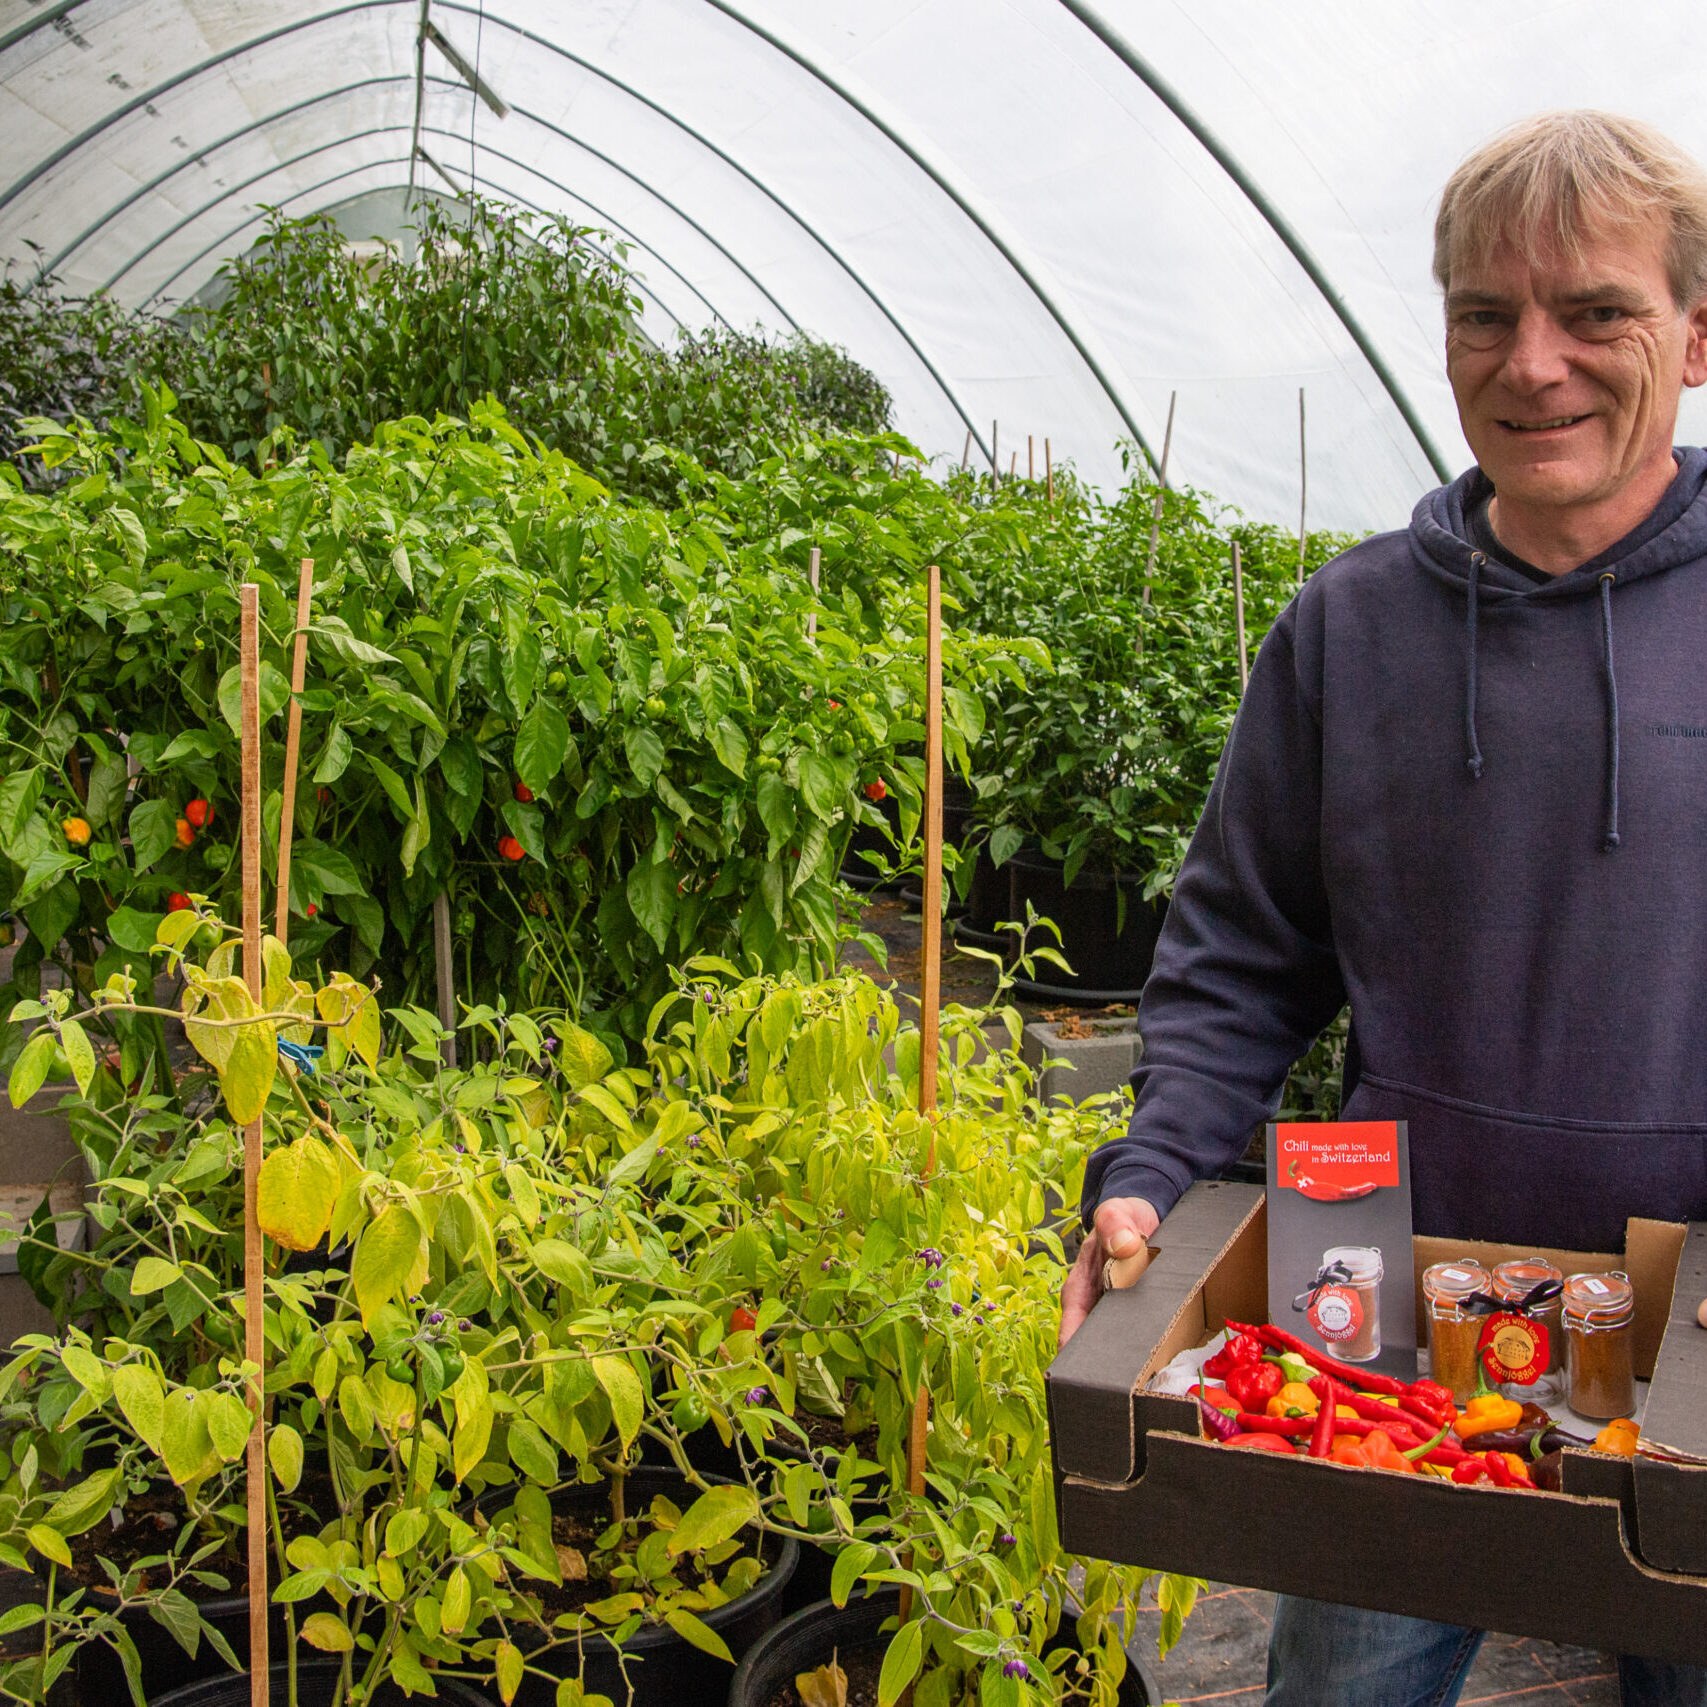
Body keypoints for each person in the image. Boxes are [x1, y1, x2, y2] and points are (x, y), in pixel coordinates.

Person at [1057, 110, 1707, 1707]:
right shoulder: (1350, 630)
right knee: (1346, 1688)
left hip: (1705, 1347)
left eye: (1594, 312)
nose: (1532, 361)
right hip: (1388, 1341)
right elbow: (1236, 961)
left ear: (1697, 338)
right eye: (1485, 314)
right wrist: (1154, 1175)